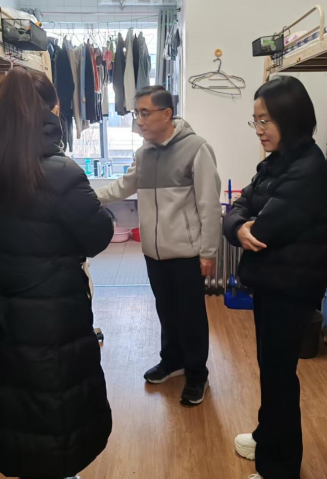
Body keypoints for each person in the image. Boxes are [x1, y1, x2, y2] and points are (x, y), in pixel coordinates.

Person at [0, 66, 114, 479]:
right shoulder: (60, 171)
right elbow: (97, 236)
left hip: (1, 312)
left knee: (14, 400)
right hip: (50, 314)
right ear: (52, 109)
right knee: (53, 400)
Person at [223, 77, 327, 479]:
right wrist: (238, 225)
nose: (259, 129)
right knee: (271, 370)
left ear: (291, 118)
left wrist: (243, 226)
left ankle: (279, 468)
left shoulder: (306, 170)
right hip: (274, 284)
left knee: (279, 378)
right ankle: (267, 436)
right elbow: (240, 205)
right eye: (255, 120)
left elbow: (263, 229)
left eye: (266, 120)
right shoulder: (279, 160)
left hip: (290, 291)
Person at [95, 85, 222, 406]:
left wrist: (208, 252)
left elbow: (209, 205)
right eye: (136, 113)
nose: (139, 120)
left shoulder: (196, 148)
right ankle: (172, 361)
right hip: (153, 252)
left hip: (187, 253)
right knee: (166, 310)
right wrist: (87, 196)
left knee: (191, 316)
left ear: (167, 114)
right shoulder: (144, 153)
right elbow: (124, 185)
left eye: (145, 113)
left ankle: (197, 374)